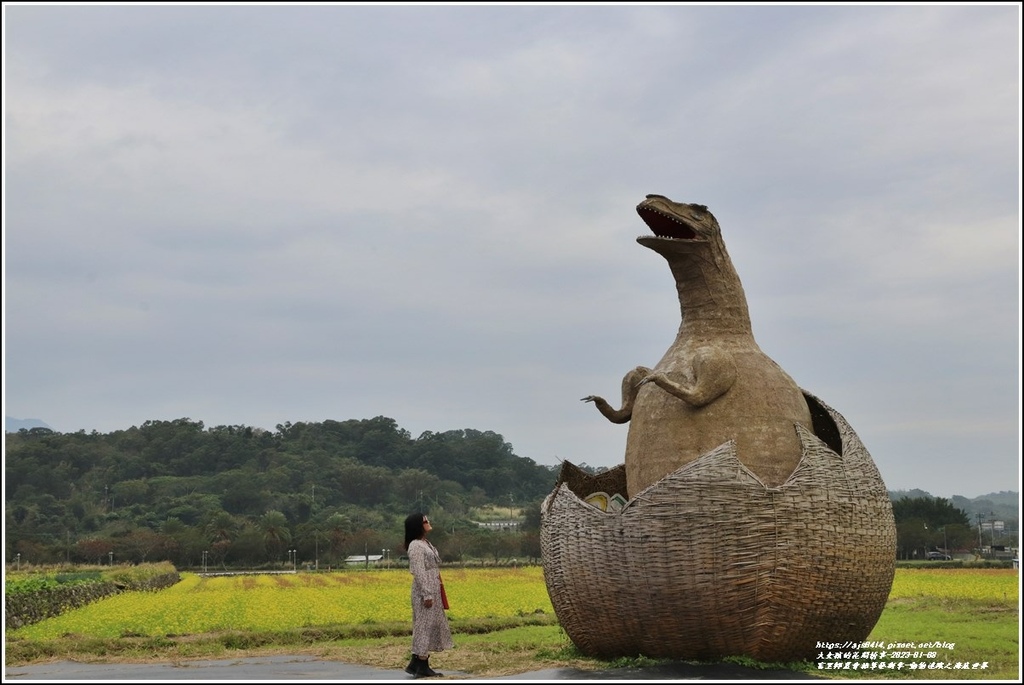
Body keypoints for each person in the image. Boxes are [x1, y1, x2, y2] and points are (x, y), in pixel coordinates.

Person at [403, 512, 453, 678]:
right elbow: (418, 570)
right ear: (418, 525)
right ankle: (422, 665)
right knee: (424, 626)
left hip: (433, 586)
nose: (428, 522)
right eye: (425, 521)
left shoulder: (424, 542)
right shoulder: (416, 546)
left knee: (429, 625)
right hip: (425, 590)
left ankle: (416, 663)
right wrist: (427, 594)